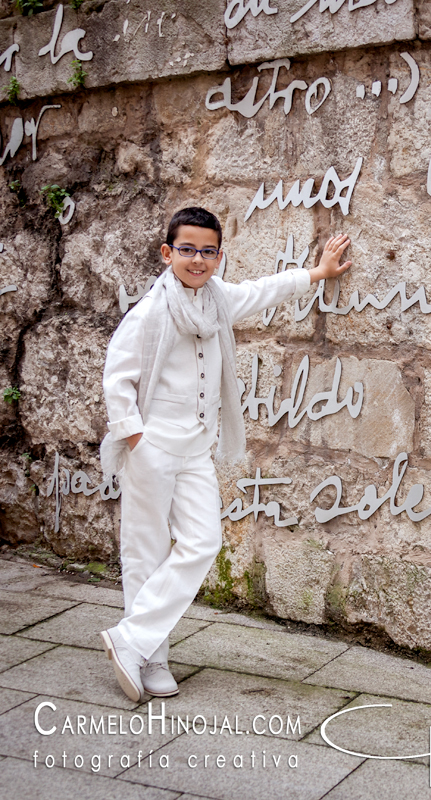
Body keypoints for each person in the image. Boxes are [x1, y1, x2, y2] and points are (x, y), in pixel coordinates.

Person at [99, 206, 351, 702]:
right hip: (150, 448)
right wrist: (135, 441)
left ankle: (129, 638)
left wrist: (318, 274)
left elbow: (263, 291)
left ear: (219, 256)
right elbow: (117, 380)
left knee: (202, 542)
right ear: (169, 252)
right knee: (145, 552)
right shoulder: (149, 312)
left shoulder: (218, 302)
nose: (198, 259)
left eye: (208, 250)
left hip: (196, 450)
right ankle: (151, 657)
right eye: (187, 249)